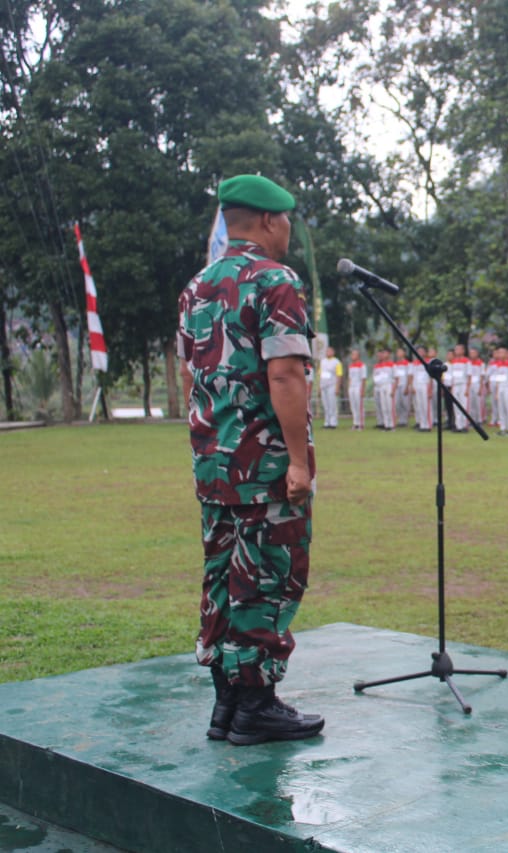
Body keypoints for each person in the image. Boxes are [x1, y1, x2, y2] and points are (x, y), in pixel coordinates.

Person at [177, 174, 324, 745]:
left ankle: (228, 704)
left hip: (214, 462)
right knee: (267, 577)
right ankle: (257, 705)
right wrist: (297, 461)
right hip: (263, 465)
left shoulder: (197, 287)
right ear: (267, 221)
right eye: (285, 219)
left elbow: (189, 371)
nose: (288, 229)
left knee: (221, 579)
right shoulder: (275, 281)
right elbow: (285, 372)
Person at [346, 348, 366, 430]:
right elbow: (350, 378)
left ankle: (361, 424)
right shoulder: (350, 365)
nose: (352, 356)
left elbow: (363, 378)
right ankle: (355, 423)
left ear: (358, 356)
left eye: (354, 354)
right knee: (353, 406)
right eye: (352, 354)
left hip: (358, 387)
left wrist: (362, 389)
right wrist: (349, 387)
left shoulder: (362, 365)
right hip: (352, 387)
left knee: (359, 406)